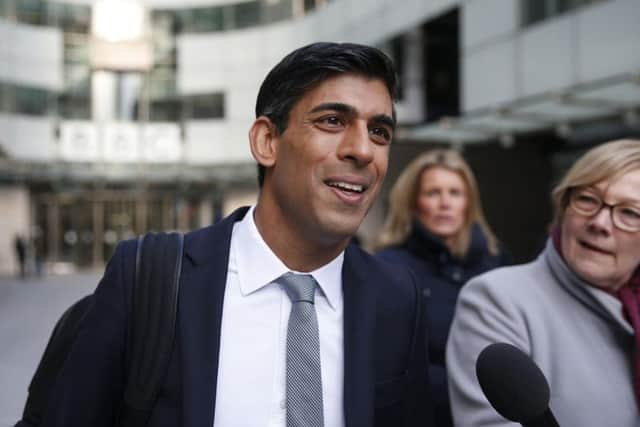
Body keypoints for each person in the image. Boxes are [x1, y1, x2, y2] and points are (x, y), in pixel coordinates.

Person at [42, 42, 431, 427]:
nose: (363, 149)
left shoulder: (398, 296)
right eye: (332, 121)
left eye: (379, 131)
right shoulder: (147, 277)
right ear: (266, 141)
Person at [446, 139, 640, 427]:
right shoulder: (497, 298)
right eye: (587, 199)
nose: (600, 222)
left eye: (630, 213)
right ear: (563, 208)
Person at [374, 149, 508, 427]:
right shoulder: (388, 268)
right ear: (412, 202)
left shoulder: (496, 262)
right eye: (433, 193)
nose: (445, 203)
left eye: (455, 193)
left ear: (468, 202)